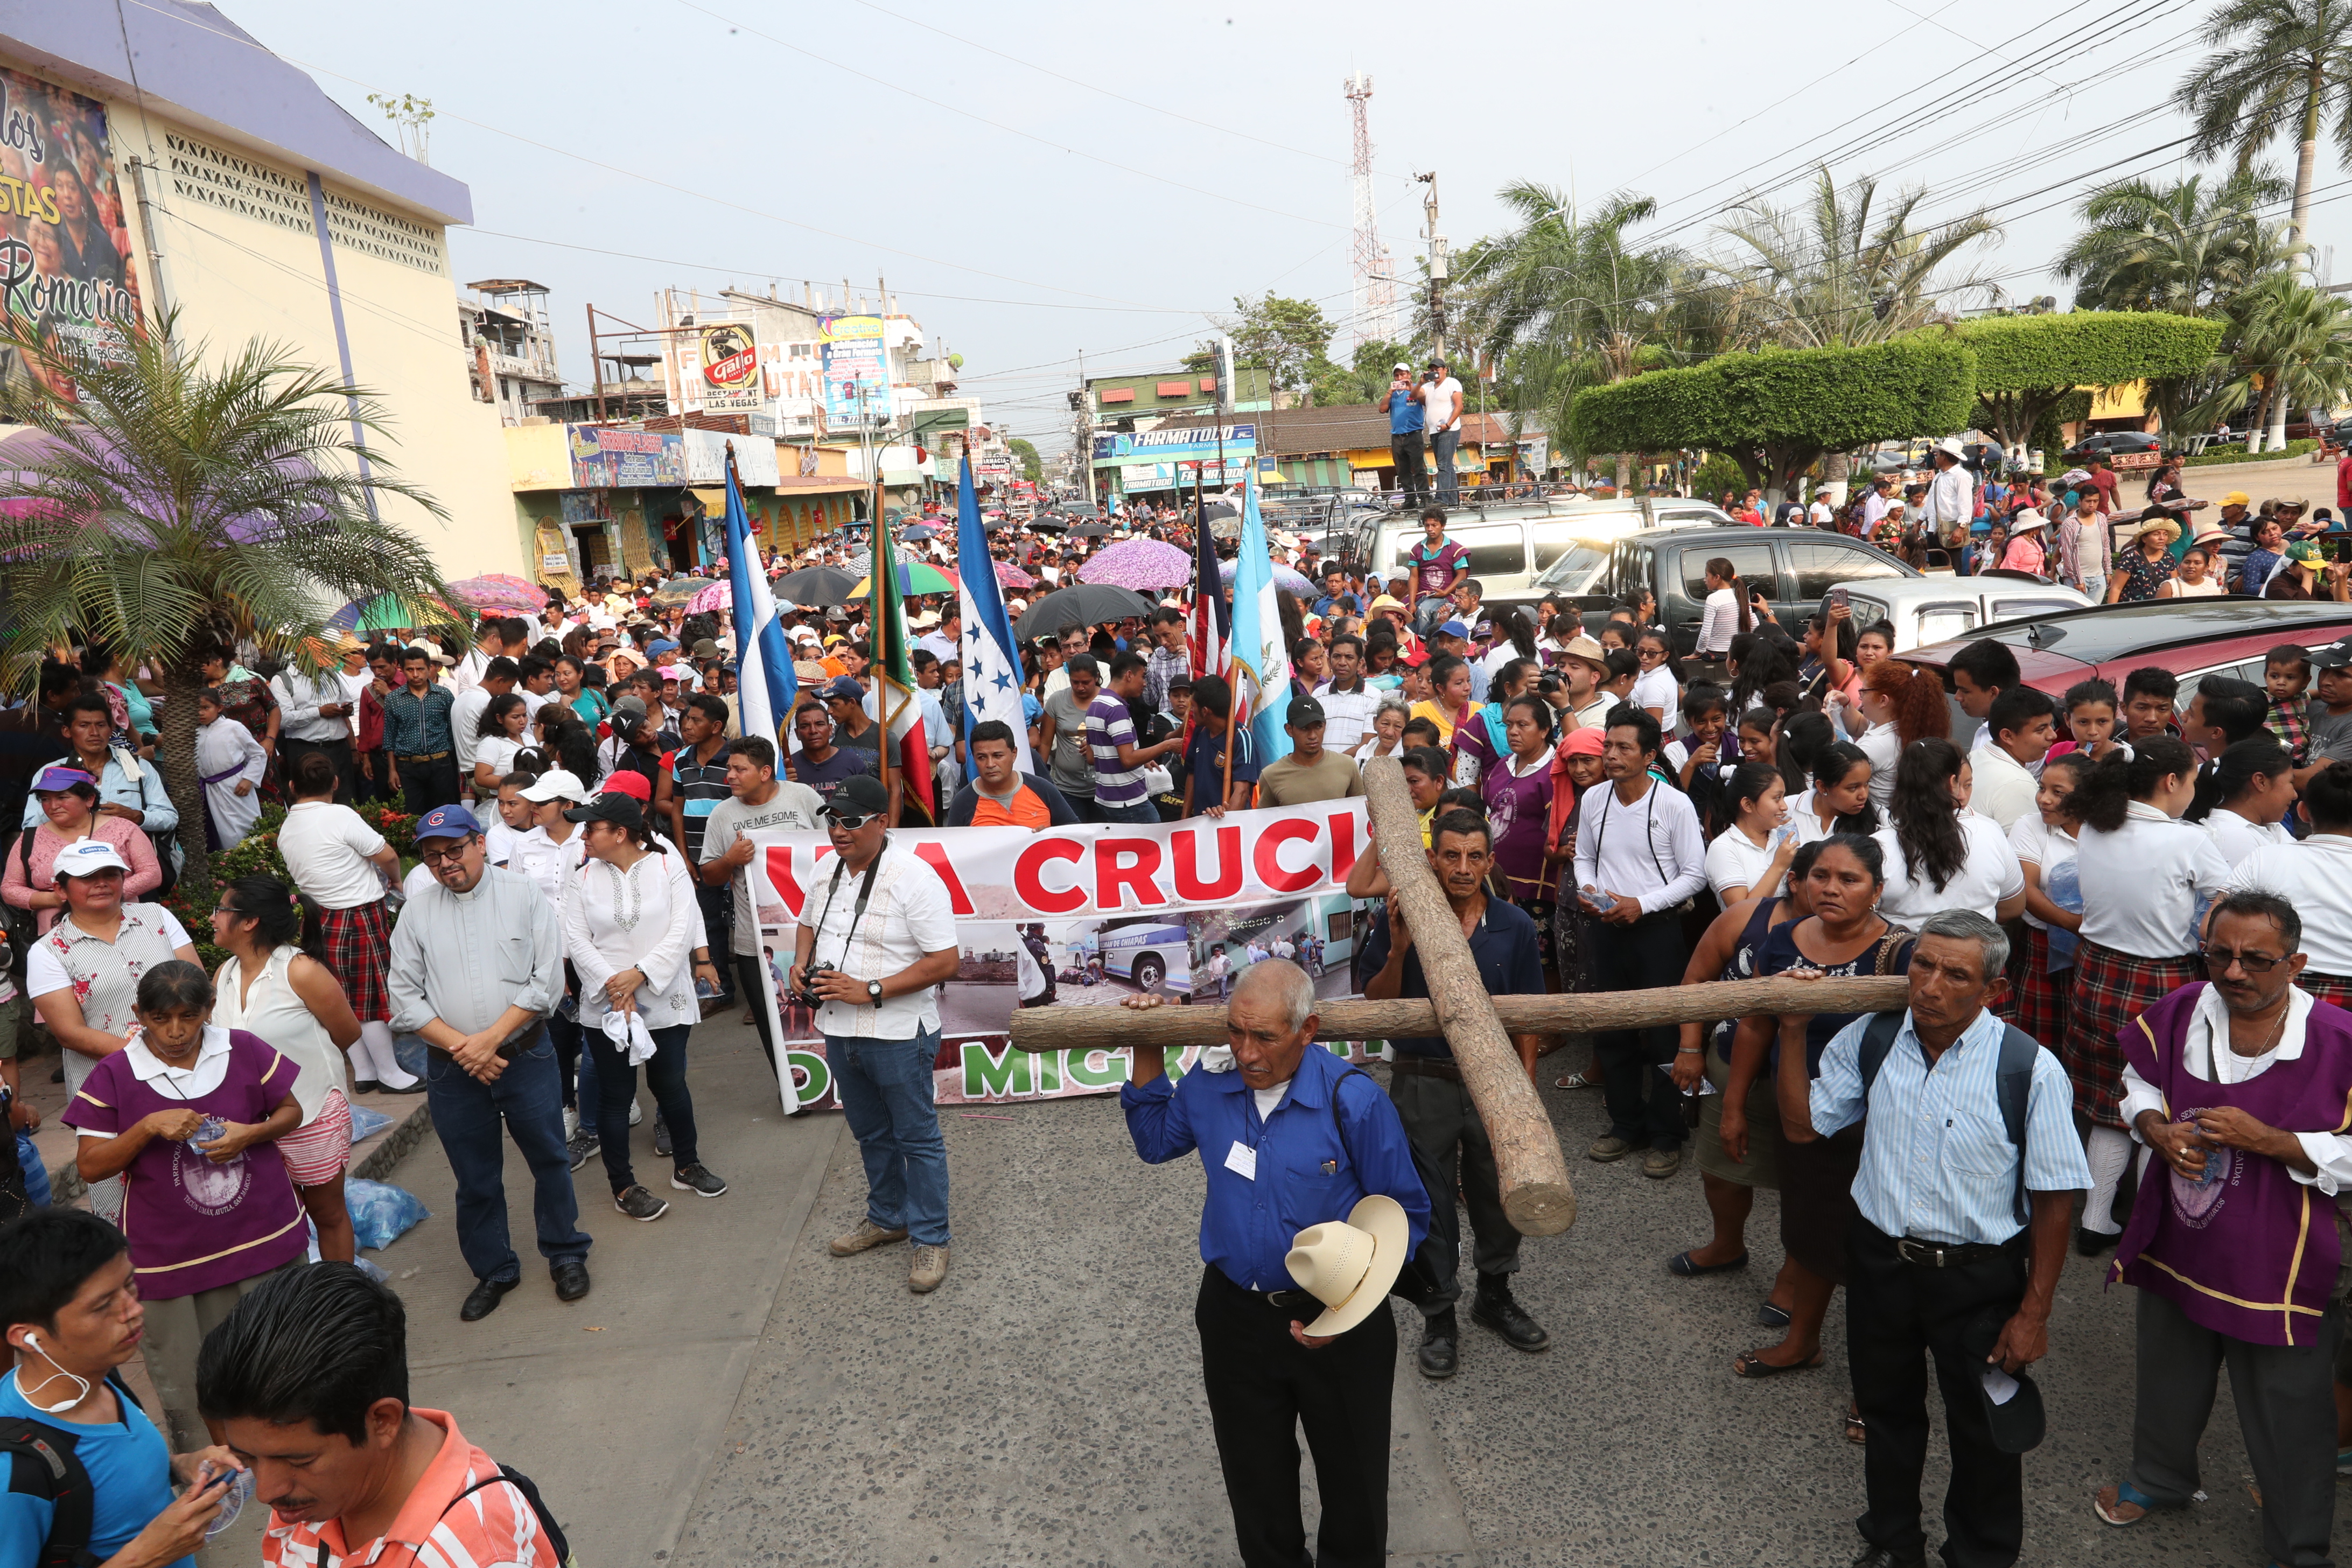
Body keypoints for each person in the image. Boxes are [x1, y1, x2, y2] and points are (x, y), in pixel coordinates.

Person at [1119, 957, 1431, 1568]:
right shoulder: (1209, 1086)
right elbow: (1155, 1141)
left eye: (1265, 1036)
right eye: (1236, 1031)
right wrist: (1146, 1042)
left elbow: (1407, 1218)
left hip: (1341, 1318)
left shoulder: (1355, 1101)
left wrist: (1344, 1314)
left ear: (1308, 1029)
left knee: (1354, 1486)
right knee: (1255, 1482)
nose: (1246, 1051)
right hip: (1235, 1317)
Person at [1810, 910, 2090, 1568]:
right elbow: (1807, 1123)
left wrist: (2034, 1311)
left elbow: (2055, 1200)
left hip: (1978, 1278)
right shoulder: (1872, 1038)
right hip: (1881, 1263)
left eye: (1955, 973)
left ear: (1993, 990)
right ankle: (1891, 1539)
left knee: (1985, 1429)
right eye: (1922, 964)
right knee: (1886, 1410)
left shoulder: (2031, 1069)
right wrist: (1787, 1021)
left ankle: (1980, 1554)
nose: (1930, 984)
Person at [2086, 892, 2352, 1560]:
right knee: (2169, 1366)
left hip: (2284, 1252)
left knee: (2290, 1403)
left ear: (2297, 962)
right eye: (2220, 954)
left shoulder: (2340, 1042)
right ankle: (2161, 1476)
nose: (2233, 972)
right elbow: (2138, 1079)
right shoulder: (2184, 1007)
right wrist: (2155, 1127)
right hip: (2183, 1230)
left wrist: (2275, 1140)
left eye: (2256, 960)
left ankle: (2298, 1545)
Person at [62, 961, 308, 1451]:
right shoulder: (117, 1073)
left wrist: (253, 1132)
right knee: (192, 1371)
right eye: (160, 1019)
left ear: (209, 1011)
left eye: (188, 1018)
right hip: (171, 1256)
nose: (175, 1032)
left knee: (285, 1355)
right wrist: (147, 1126)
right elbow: (90, 1166)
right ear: (139, 1014)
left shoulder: (242, 1049)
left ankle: (293, 1449)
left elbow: (292, 1110)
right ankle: (217, 1468)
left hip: (263, 1235)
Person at [195, 1262, 568, 1567]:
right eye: (248, 1459)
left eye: (297, 1460)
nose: (266, 1493)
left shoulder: (471, 1555)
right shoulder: (310, 1495)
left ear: (383, 1421)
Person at [1720, 836, 1920, 1385]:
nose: (1831, 887)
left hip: (1877, 1125)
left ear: (1877, 890)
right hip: (1799, 1116)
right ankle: (1802, 1341)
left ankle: (1877, 1385)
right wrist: (1733, 1105)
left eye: (1849, 879)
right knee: (1810, 1233)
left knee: (1879, 1254)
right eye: (1822, 875)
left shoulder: (1903, 953)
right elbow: (1756, 1024)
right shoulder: (1783, 939)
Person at [1359, 810, 1548, 1378]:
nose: (1462, 868)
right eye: (1451, 856)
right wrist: (1397, 950)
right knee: (1428, 1198)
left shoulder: (1514, 924)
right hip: (1423, 1078)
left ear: (1490, 861)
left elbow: (1530, 1012)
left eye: (1474, 856)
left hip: (1495, 1083)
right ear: (1432, 859)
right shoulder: (1403, 915)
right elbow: (1375, 1003)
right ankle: (1440, 1312)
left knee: (1497, 1191)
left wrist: (1526, 1084)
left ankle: (1495, 1293)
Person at [388, 804, 591, 1320]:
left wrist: (491, 1041)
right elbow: (405, 998)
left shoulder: (523, 895)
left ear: (480, 843)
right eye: (433, 857)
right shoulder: (416, 912)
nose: (445, 863)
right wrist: (466, 1049)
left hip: (525, 1054)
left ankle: (565, 1252)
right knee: (474, 1176)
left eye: (454, 849)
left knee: (549, 1158)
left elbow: (547, 984)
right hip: (453, 1069)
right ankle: (494, 1269)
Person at [0, 1209, 243, 1568]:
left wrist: (182, 1466)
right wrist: (143, 1556)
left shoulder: (99, 1376)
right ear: (29, 1337)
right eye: (102, 1306)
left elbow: (111, 1472)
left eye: (129, 1286)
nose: (132, 1309)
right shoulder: (14, 1470)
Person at [794, 774, 961, 1294]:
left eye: (851, 821)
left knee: (917, 1138)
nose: (838, 831)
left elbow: (946, 961)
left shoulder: (915, 877)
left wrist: (872, 988)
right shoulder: (826, 869)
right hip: (838, 1028)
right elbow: (805, 922)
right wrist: (801, 965)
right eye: (832, 820)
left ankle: (931, 1237)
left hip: (897, 1031)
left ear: (882, 822)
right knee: (870, 1133)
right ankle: (888, 1217)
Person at [2069, 738, 2232, 1254]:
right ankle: (2144, 1217)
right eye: (2192, 781)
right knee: (2156, 1101)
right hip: (2161, 981)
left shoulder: (2096, 825)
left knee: (2107, 1098)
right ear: (2170, 782)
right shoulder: (2187, 840)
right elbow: (2229, 893)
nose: (2193, 792)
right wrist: (2207, 921)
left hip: (2095, 971)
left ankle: (2095, 1221)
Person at [563, 792, 727, 1221]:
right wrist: (617, 986)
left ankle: (687, 1165)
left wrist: (640, 974)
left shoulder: (668, 866)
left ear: (621, 833)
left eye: (591, 828)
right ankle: (624, 1185)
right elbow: (577, 940)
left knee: (671, 1084)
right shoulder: (580, 878)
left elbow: (682, 927)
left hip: (664, 995)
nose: (583, 836)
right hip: (608, 1003)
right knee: (616, 1097)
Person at [26, 840, 199, 1226]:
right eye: (88, 878)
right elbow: (70, 1033)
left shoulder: (157, 916)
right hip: (111, 1084)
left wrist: (181, 1051)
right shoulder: (49, 951)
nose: (102, 883)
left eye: (111, 874)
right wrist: (152, 1056)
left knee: (197, 1173)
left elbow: (197, 985)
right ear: (60, 889)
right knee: (123, 1189)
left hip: (190, 1068)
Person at [1571, 708, 1709, 1177]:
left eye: (1623, 747)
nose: (1610, 755)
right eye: (1608, 746)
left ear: (1650, 756)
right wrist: (1590, 893)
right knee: (1612, 1029)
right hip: (1606, 928)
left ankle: (1668, 1133)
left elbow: (1695, 875)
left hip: (1658, 930)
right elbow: (1584, 858)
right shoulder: (1593, 799)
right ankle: (1625, 1124)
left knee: (1665, 1034)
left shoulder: (1674, 804)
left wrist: (1642, 904)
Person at [209, 874, 366, 1263]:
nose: (212, 918)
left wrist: (304, 1071)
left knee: (327, 1215)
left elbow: (346, 1032)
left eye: (221, 910)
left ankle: (342, 1302)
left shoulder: (300, 970)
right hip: (254, 1125)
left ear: (249, 922)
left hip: (312, 1114)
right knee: (279, 1220)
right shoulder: (223, 975)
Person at [273, 751, 416, 1094]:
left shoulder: (288, 824)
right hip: (357, 915)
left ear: (292, 787)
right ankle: (389, 1074)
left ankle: (365, 1071)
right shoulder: (339, 815)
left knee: (340, 996)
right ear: (335, 783)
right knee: (368, 1001)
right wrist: (396, 882)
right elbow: (388, 855)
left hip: (317, 917)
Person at [696, 738, 823, 1072]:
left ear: (766, 772)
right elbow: (709, 876)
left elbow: (834, 851)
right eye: (729, 769)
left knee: (821, 1012)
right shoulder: (722, 815)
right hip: (756, 944)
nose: (730, 777)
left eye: (740, 769)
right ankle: (790, 1085)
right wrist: (730, 860)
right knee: (772, 1022)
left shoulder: (804, 798)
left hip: (815, 935)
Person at [1874, 739, 2025, 927]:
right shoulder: (1991, 833)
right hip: (1975, 950)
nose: (1963, 796)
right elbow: (2013, 907)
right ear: (1952, 782)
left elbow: (1859, 914)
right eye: (1962, 784)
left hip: (1903, 952)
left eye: (1969, 785)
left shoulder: (1878, 847)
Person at [3, 765, 162, 935]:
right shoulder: (30, 838)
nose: (53, 806)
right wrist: (56, 898)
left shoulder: (124, 829)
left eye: (62, 797)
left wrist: (104, 895)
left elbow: (152, 874)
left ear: (89, 799)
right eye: (45, 799)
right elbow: (10, 888)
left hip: (123, 928)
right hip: (57, 935)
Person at [2012, 752, 2091, 1048]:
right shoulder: (2031, 826)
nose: (2044, 799)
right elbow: (2026, 890)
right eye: (2042, 788)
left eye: (2058, 793)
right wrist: (2076, 926)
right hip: (2042, 948)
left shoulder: (2109, 831)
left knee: (2085, 1042)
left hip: (2098, 949)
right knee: (2037, 1043)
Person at [1088, 652, 1182, 823]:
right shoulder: (1116, 709)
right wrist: (1167, 746)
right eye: (1143, 677)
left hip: (1107, 797)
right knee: (1154, 847)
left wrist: (1143, 759)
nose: (1145, 684)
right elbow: (1128, 759)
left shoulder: (1096, 704)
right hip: (1128, 801)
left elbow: (1093, 756)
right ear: (1129, 676)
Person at [944, 720, 1082, 827]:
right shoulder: (963, 802)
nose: (990, 764)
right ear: (973, 758)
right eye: (982, 757)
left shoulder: (1042, 789)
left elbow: (1074, 832)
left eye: (998, 756)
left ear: (1014, 754)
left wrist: (1048, 837)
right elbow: (953, 851)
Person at [1704, 760, 1797, 907]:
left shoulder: (1782, 838)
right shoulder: (1724, 848)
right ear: (1748, 805)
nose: (1784, 807)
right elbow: (1742, 912)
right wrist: (1779, 866)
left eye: (1784, 797)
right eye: (1777, 798)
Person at [1968, 687, 2059, 831]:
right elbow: (2025, 847)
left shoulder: (1975, 757)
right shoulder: (2017, 784)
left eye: (2051, 725)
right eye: (2041, 730)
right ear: (2008, 736)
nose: (2052, 735)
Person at [382, 647, 460, 816]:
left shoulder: (444, 695)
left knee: (443, 814)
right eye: (410, 670)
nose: (415, 675)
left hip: (440, 764)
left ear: (429, 668)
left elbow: (452, 731)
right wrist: (392, 771)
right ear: (402, 670)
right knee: (412, 815)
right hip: (408, 767)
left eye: (420, 669)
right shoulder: (393, 699)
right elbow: (390, 737)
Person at [1255, 695, 1368, 808]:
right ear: (1289, 730)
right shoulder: (1271, 775)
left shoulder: (1347, 765)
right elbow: (1265, 821)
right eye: (1305, 729)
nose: (1313, 736)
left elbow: (1362, 811)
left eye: (1319, 727)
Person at [270, 660, 356, 804]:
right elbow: (283, 719)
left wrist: (346, 709)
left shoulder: (330, 674)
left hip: (339, 749)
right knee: (311, 800)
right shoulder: (282, 680)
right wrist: (319, 712)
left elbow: (347, 701)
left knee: (345, 799)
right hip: (306, 750)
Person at [1182, 676, 1261, 818]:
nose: (1190, 711)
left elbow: (1242, 791)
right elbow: (1192, 774)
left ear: (1205, 711)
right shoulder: (1200, 731)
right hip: (1200, 824)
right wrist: (1185, 820)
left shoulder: (1242, 738)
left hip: (1226, 823)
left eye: (1193, 706)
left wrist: (1226, 825)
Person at [1403, 507, 1469, 634]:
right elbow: (1414, 577)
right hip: (1423, 595)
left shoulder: (1455, 549)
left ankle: (1424, 643)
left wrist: (1445, 592)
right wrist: (1411, 603)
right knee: (1401, 613)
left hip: (1447, 597)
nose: (1430, 529)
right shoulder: (1417, 549)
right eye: (1427, 525)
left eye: (1434, 525)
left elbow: (1462, 576)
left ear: (1442, 526)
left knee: (1425, 610)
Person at [1376, 361, 1429, 507]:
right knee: (1403, 471)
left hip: (1414, 434)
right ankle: (1410, 500)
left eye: (1403, 374)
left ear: (1409, 375)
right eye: (1397, 375)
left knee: (1419, 469)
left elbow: (1424, 400)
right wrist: (1390, 391)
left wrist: (1411, 387)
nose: (1400, 378)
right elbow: (1382, 409)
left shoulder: (1416, 389)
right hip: (1397, 436)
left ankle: (1425, 499)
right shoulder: (1393, 394)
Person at [1419, 357, 1466, 504]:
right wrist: (1421, 381)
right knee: (1447, 465)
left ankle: (1442, 498)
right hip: (1434, 431)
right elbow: (1414, 396)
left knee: (1443, 465)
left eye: (1437, 370)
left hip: (1448, 430)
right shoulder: (1428, 387)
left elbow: (1459, 406)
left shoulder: (1452, 383)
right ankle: (1453, 500)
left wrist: (1449, 424)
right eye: (1432, 371)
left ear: (1445, 370)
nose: (1435, 373)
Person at [2107, 517, 2181, 603]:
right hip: (2134, 610)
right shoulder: (2131, 558)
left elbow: (2174, 585)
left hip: (2160, 610)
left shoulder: (2169, 558)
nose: (2162, 538)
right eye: (2156, 534)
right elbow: (2116, 588)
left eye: (2165, 534)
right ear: (2144, 539)